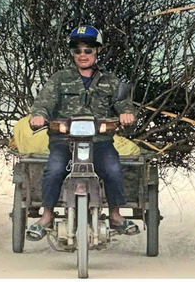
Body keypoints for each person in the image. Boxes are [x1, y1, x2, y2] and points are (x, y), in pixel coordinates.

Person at [25, 25, 140, 240]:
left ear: (97, 51)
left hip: (100, 142)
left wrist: (126, 114)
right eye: (77, 51)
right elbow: (44, 102)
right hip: (64, 141)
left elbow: (124, 104)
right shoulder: (59, 79)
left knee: (113, 169)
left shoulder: (109, 80)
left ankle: (115, 215)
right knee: (54, 169)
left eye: (88, 50)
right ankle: (47, 215)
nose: (83, 55)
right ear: (72, 54)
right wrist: (39, 115)